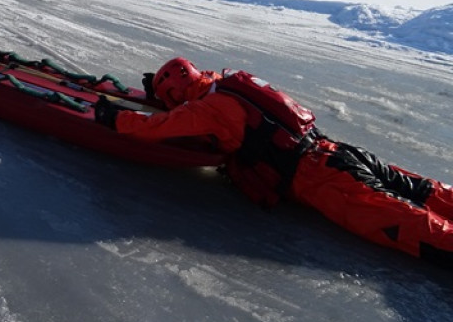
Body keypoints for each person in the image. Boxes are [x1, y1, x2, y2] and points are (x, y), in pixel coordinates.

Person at [96, 56, 453, 267]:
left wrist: (114, 119)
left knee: (404, 223)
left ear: (174, 91)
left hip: (319, 175)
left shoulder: (211, 108)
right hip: (334, 151)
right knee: (421, 190)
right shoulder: (230, 83)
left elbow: (159, 127)